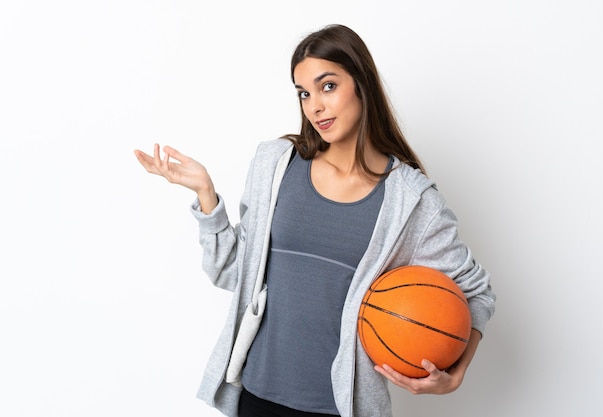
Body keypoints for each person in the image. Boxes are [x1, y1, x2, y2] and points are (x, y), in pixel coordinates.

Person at [134, 24, 495, 417]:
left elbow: (475, 291)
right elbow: (235, 273)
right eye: (304, 93)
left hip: (340, 408)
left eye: (327, 86)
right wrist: (207, 197)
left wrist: (458, 369)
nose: (315, 106)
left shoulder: (411, 202)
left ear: (362, 83)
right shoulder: (275, 165)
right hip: (257, 398)